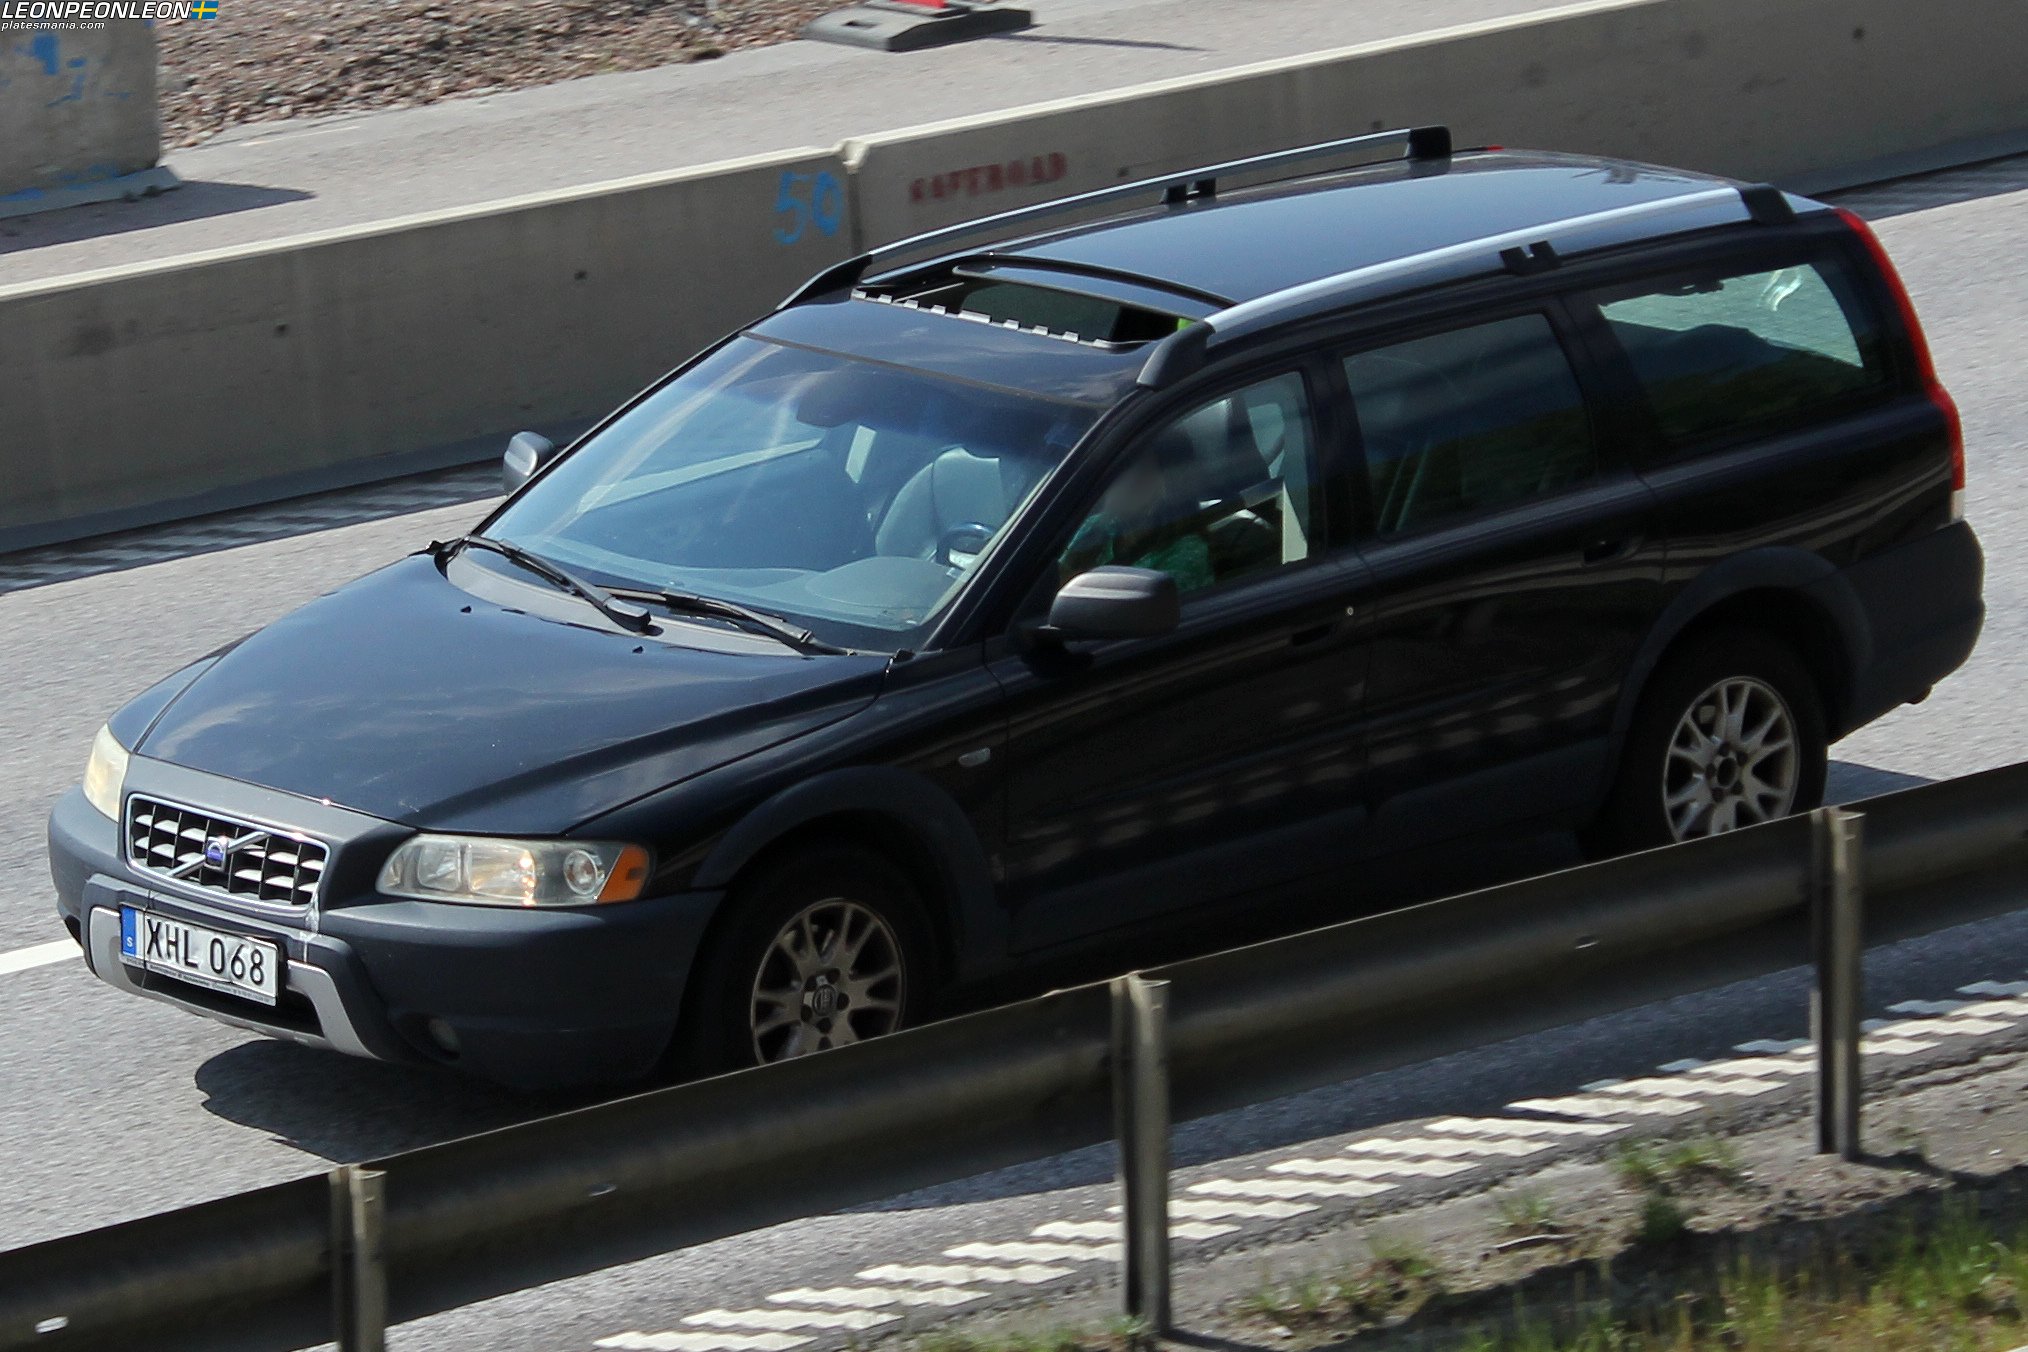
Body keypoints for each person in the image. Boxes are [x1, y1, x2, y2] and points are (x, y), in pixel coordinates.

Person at [1058, 427, 1216, 592]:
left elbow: (1125, 612)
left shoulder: (1187, 553)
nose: (1119, 479)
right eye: (1117, 466)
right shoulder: (1094, 526)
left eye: (1137, 469)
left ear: (1169, 485)